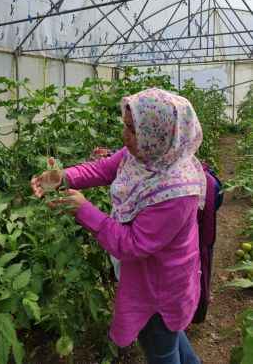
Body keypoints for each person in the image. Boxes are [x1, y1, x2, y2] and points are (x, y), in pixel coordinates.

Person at [31, 88, 205, 364]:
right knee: (170, 335)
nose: (125, 136)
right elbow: (102, 169)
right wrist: (62, 177)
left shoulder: (176, 191)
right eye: (125, 126)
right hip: (153, 276)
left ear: (159, 132)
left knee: (160, 346)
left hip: (160, 286)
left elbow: (132, 244)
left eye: (133, 130)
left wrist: (84, 210)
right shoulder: (147, 154)